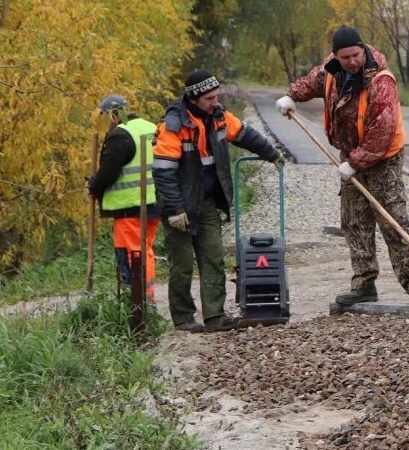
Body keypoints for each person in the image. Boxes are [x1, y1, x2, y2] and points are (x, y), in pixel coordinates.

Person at [276, 25, 409, 306]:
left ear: (363, 50)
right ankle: (363, 284)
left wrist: (355, 163)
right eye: (346, 57)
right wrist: (291, 96)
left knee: (393, 220)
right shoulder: (331, 71)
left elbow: (381, 133)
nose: (352, 62)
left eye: (356, 55)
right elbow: (310, 83)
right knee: (354, 221)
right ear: (336, 56)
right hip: (350, 155)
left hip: (382, 157)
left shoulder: (381, 80)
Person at [152, 70, 282, 333]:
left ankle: (215, 316)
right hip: (180, 207)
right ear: (194, 98)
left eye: (216, 96)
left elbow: (246, 135)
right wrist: (176, 210)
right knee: (183, 264)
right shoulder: (173, 127)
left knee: (213, 258)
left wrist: (271, 153)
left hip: (208, 203)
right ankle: (184, 319)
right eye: (209, 98)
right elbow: (164, 174)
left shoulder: (220, 117)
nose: (215, 101)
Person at [87, 95, 159, 305]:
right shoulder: (150, 127)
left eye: (106, 117)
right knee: (145, 252)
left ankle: (140, 304)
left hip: (130, 208)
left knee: (133, 256)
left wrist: (93, 185)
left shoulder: (121, 134)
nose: (106, 123)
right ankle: (144, 301)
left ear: (114, 115)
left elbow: (109, 172)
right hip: (153, 205)